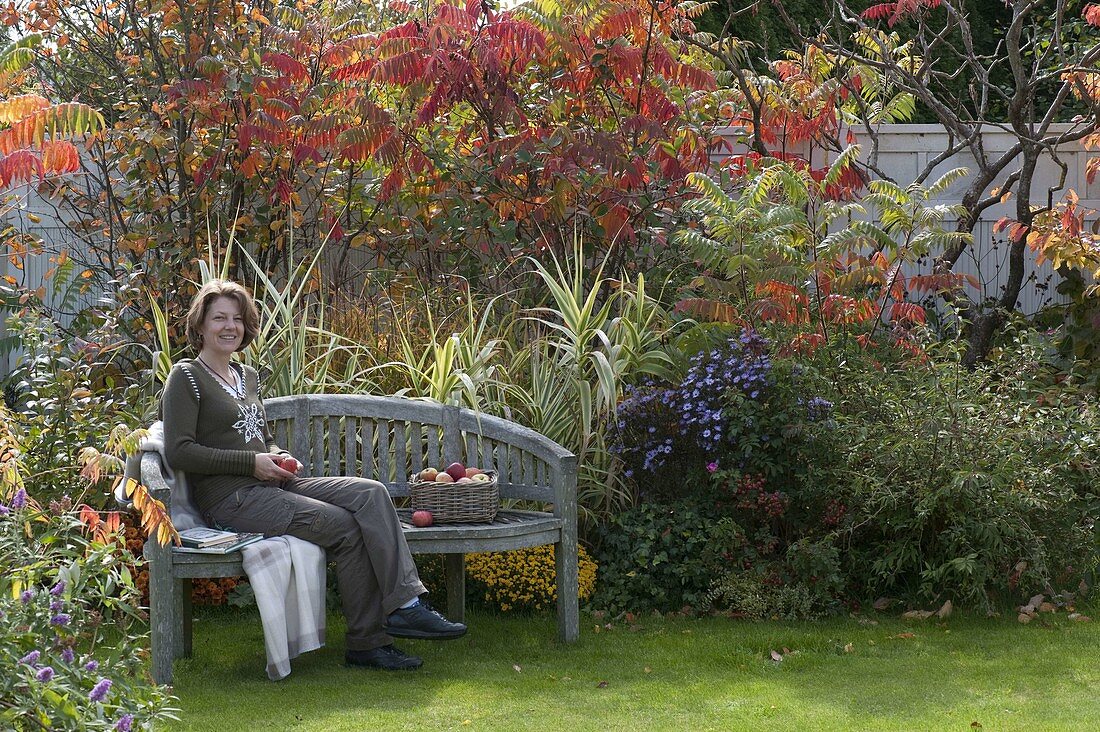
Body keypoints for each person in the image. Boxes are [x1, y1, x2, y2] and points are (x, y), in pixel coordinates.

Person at [161, 279, 465, 671]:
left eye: (237, 318)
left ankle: (406, 604)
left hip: (272, 481)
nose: (229, 326)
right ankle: (368, 643)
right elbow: (179, 450)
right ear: (200, 325)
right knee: (343, 526)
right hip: (231, 498)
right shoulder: (186, 378)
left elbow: (263, 438)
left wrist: (277, 454)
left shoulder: (247, 376)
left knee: (371, 493)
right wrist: (250, 464)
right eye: (219, 317)